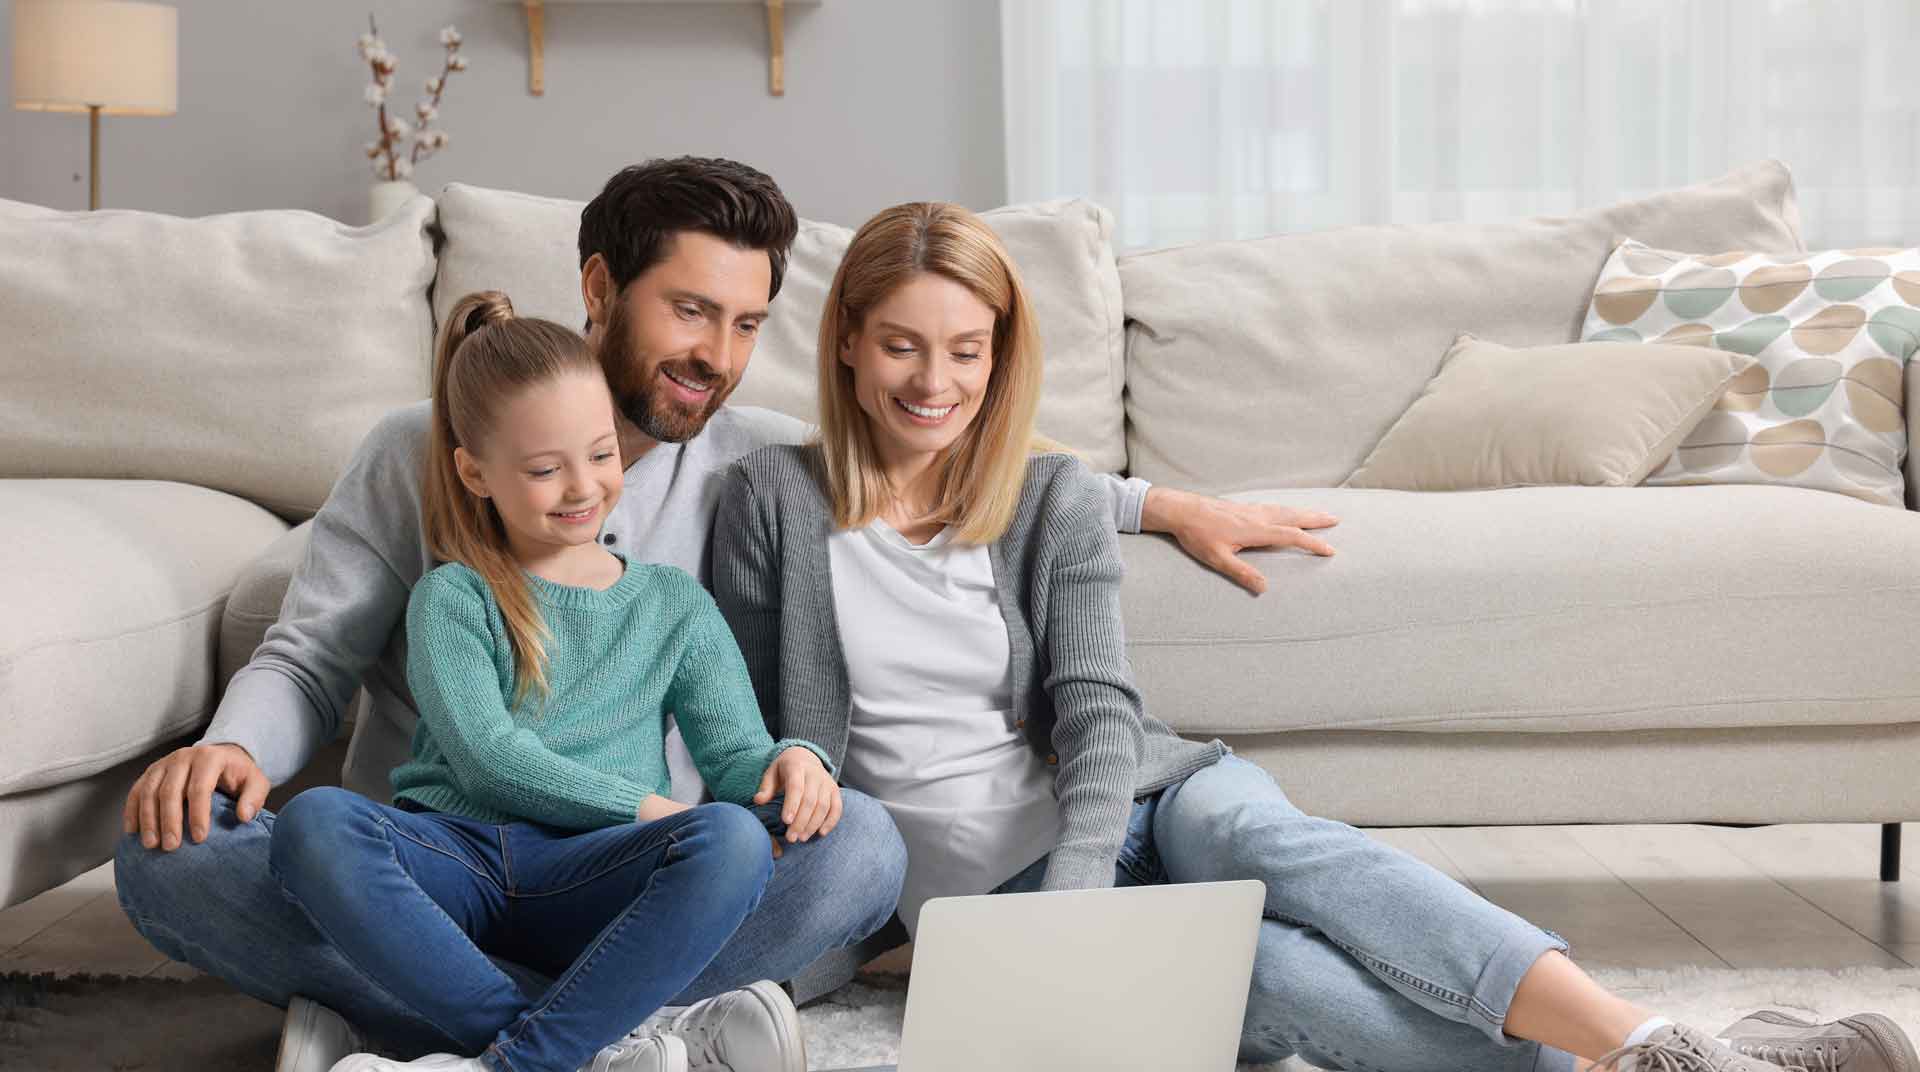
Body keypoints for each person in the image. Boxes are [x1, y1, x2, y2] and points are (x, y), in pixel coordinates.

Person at [114, 157, 1331, 1069]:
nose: (720, 355)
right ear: (601, 287)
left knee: (857, 843)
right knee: (169, 858)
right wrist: (234, 744)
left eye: (748, 324)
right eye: (691, 312)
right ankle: (612, 1029)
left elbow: (946, 463)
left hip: (647, 875)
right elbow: (311, 652)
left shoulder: (755, 469)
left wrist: (1154, 497)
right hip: (436, 867)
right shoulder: (425, 453)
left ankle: (428, 1012)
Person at [709, 201, 1920, 1072]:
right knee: (1280, 982)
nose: (936, 380)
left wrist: (1069, 899)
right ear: (850, 345)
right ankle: (1677, 1062)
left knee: (1269, 838)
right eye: (906, 345)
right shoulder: (771, 499)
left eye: (967, 350)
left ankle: (1642, 1038)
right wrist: (885, 931)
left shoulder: (1052, 494)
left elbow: (1095, 711)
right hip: (992, 891)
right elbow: (773, 733)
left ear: (1001, 356)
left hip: (1123, 808)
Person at [275, 292, 833, 1072]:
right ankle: (595, 1045)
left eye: (601, 455)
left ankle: (511, 1060)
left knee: (735, 840)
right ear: (476, 472)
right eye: (544, 469)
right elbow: (486, 759)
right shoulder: (453, 596)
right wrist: (643, 807)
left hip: (599, 875)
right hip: (457, 861)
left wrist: (792, 763)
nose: (582, 488)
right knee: (313, 825)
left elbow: (738, 756)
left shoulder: (673, 604)